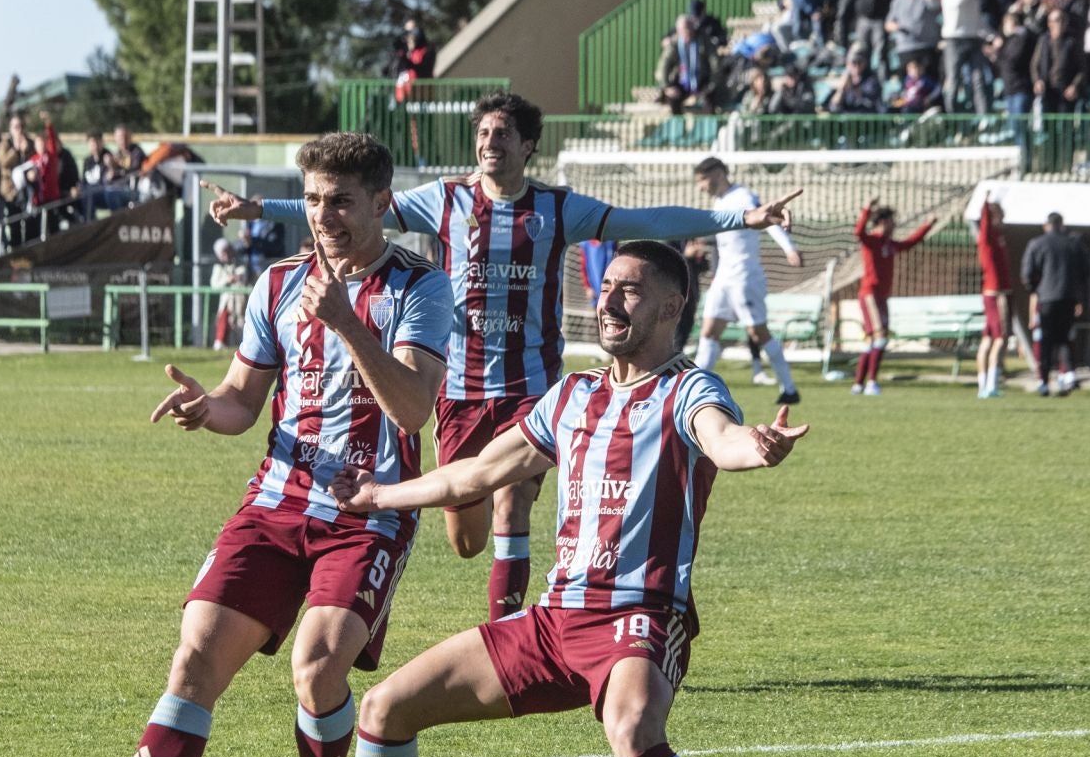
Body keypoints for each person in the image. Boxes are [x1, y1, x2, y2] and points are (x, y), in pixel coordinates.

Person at [299, 239, 810, 757]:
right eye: (607, 288)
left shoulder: (689, 390)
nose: (609, 301)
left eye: (630, 291)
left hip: (639, 615)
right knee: (383, 710)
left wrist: (755, 449)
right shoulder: (571, 397)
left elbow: (720, 439)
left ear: (672, 306)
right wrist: (380, 495)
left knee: (632, 727)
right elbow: (475, 472)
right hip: (550, 622)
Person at [210, 91, 800, 621]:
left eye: (502, 134)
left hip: (532, 387)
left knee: (511, 501)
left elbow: (646, 221)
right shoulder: (442, 200)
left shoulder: (557, 208)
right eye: (483, 134)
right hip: (456, 390)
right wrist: (259, 209)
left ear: (528, 146)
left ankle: (506, 628)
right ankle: (496, 583)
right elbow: (345, 206)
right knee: (466, 536)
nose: (489, 143)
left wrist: (742, 219)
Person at [59, 131, 453, 757]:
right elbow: (246, 397)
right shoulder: (277, 282)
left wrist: (346, 322)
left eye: (341, 201)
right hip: (275, 501)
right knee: (196, 653)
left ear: (381, 204)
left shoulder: (419, 286)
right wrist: (213, 408)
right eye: (311, 200)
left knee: (316, 669)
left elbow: (414, 410)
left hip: (364, 511)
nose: (323, 217)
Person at [688, 157, 805, 405]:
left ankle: (790, 389)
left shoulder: (743, 196)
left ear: (718, 173)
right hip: (724, 276)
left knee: (757, 332)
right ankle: (692, 391)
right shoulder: (720, 202)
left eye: (702, 180)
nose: (700, 187)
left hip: (744, 275)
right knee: (709, 332)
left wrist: (789, 248)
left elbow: (768, 220)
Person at [851, 198, 936, 395]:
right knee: (879, 336)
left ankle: (858, 384)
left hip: (882, 296)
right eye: (891, 220)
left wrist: (928, 225)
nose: (895, 224)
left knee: (874, 340)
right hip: (870, 294)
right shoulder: (872, 240)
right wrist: (866, 210)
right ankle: (871, 382)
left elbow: (910, 243)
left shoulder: (889, 244)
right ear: (882, 222)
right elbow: (858, 233)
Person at [1021, 212, 1090, 396]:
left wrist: (1036, 289)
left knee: (1046, 340)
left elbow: (1027, 274)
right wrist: (1079, 296)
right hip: (1069, 297)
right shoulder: (1074, 244)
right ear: (1062, 225)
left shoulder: (1037, 244)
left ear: (1046, 225)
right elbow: (1086, 271)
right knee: (1064, 338)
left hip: (1047, 298)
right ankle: (1067, 375)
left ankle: (1043, 381)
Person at [975, 199, 1013, 397]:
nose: (1003, 217)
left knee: (988, 339)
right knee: (1001, 339)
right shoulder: (987, 236)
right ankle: (991, 384)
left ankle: (984, 384)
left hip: (995, 291)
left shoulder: (998, 236)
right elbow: (985, 220)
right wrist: (986, 202)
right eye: (1000, 213)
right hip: (997, 293)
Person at [658, 16, 714, 112]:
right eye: (684, 29)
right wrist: (667, 87)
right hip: (682, 81)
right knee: (673, 99)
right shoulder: (674, 45)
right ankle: (677, 125)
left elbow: (715, 64)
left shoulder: (703, 41)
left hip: (702, 80)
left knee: (711, 100)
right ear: (678, 31)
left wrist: (710, 85)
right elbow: (664, 65)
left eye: (689, 28)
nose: (687, 32)